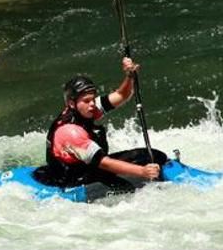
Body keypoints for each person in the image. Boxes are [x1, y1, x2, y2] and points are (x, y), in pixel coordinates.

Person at [33, 57, 168, 192]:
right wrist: (142, 171)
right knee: (127, 188)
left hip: (89, 166)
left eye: (93, 99)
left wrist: (129, 76)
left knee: (152, 156)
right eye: (86, 101)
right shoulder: (70, 132)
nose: (92, 104)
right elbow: (103, 163)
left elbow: (122, 95)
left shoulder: (85, 109)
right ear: (71, 103)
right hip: (71, 178)